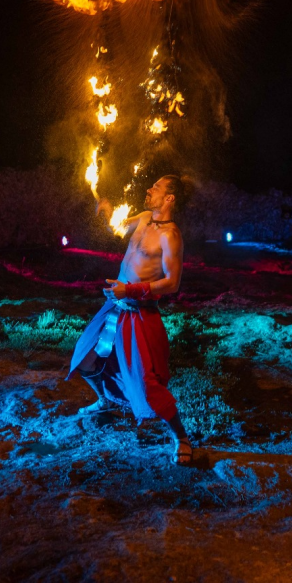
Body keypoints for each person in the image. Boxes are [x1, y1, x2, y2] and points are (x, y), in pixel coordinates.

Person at [67, 175, 192, 465]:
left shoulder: (170, 235)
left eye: (157, 188)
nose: (149, 190)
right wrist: (109, 209)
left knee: (147, 383)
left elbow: (172, 283)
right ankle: (105, 400)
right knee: (85, 356)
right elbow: (120, 226)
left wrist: (132, 289)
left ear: (170, 198)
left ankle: (181, 438)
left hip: (140, 315)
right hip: (115, 307)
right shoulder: (146, 217)